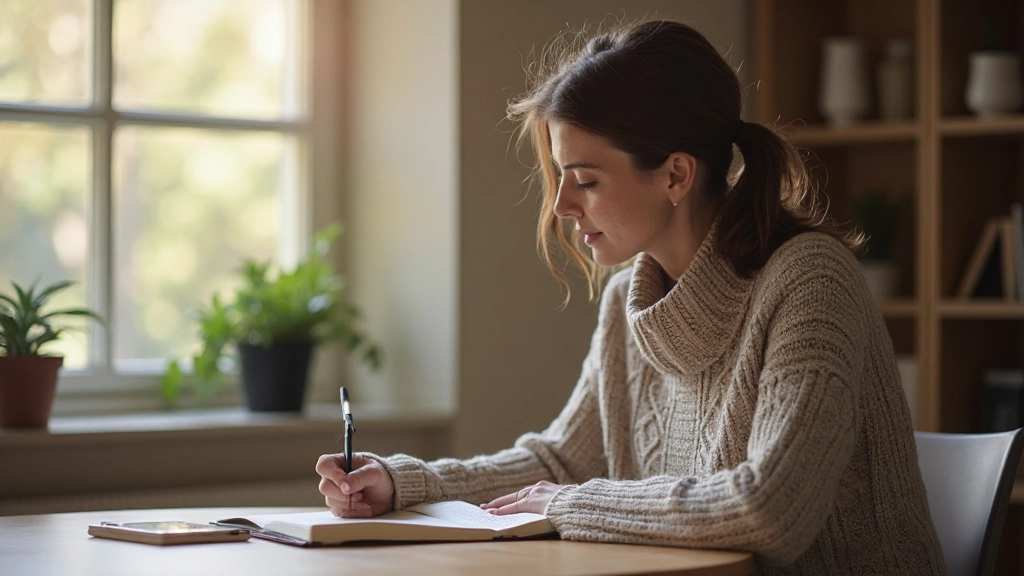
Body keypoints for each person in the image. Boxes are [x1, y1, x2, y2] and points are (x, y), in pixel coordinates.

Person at [315, 19, 946, 574]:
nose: (561, 207)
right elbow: (562, 462)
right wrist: (403, 483)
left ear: (675, 174)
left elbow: (769, 511)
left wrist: (573, 506)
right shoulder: (627, 302)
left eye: (585, 181)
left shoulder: (810, 281)